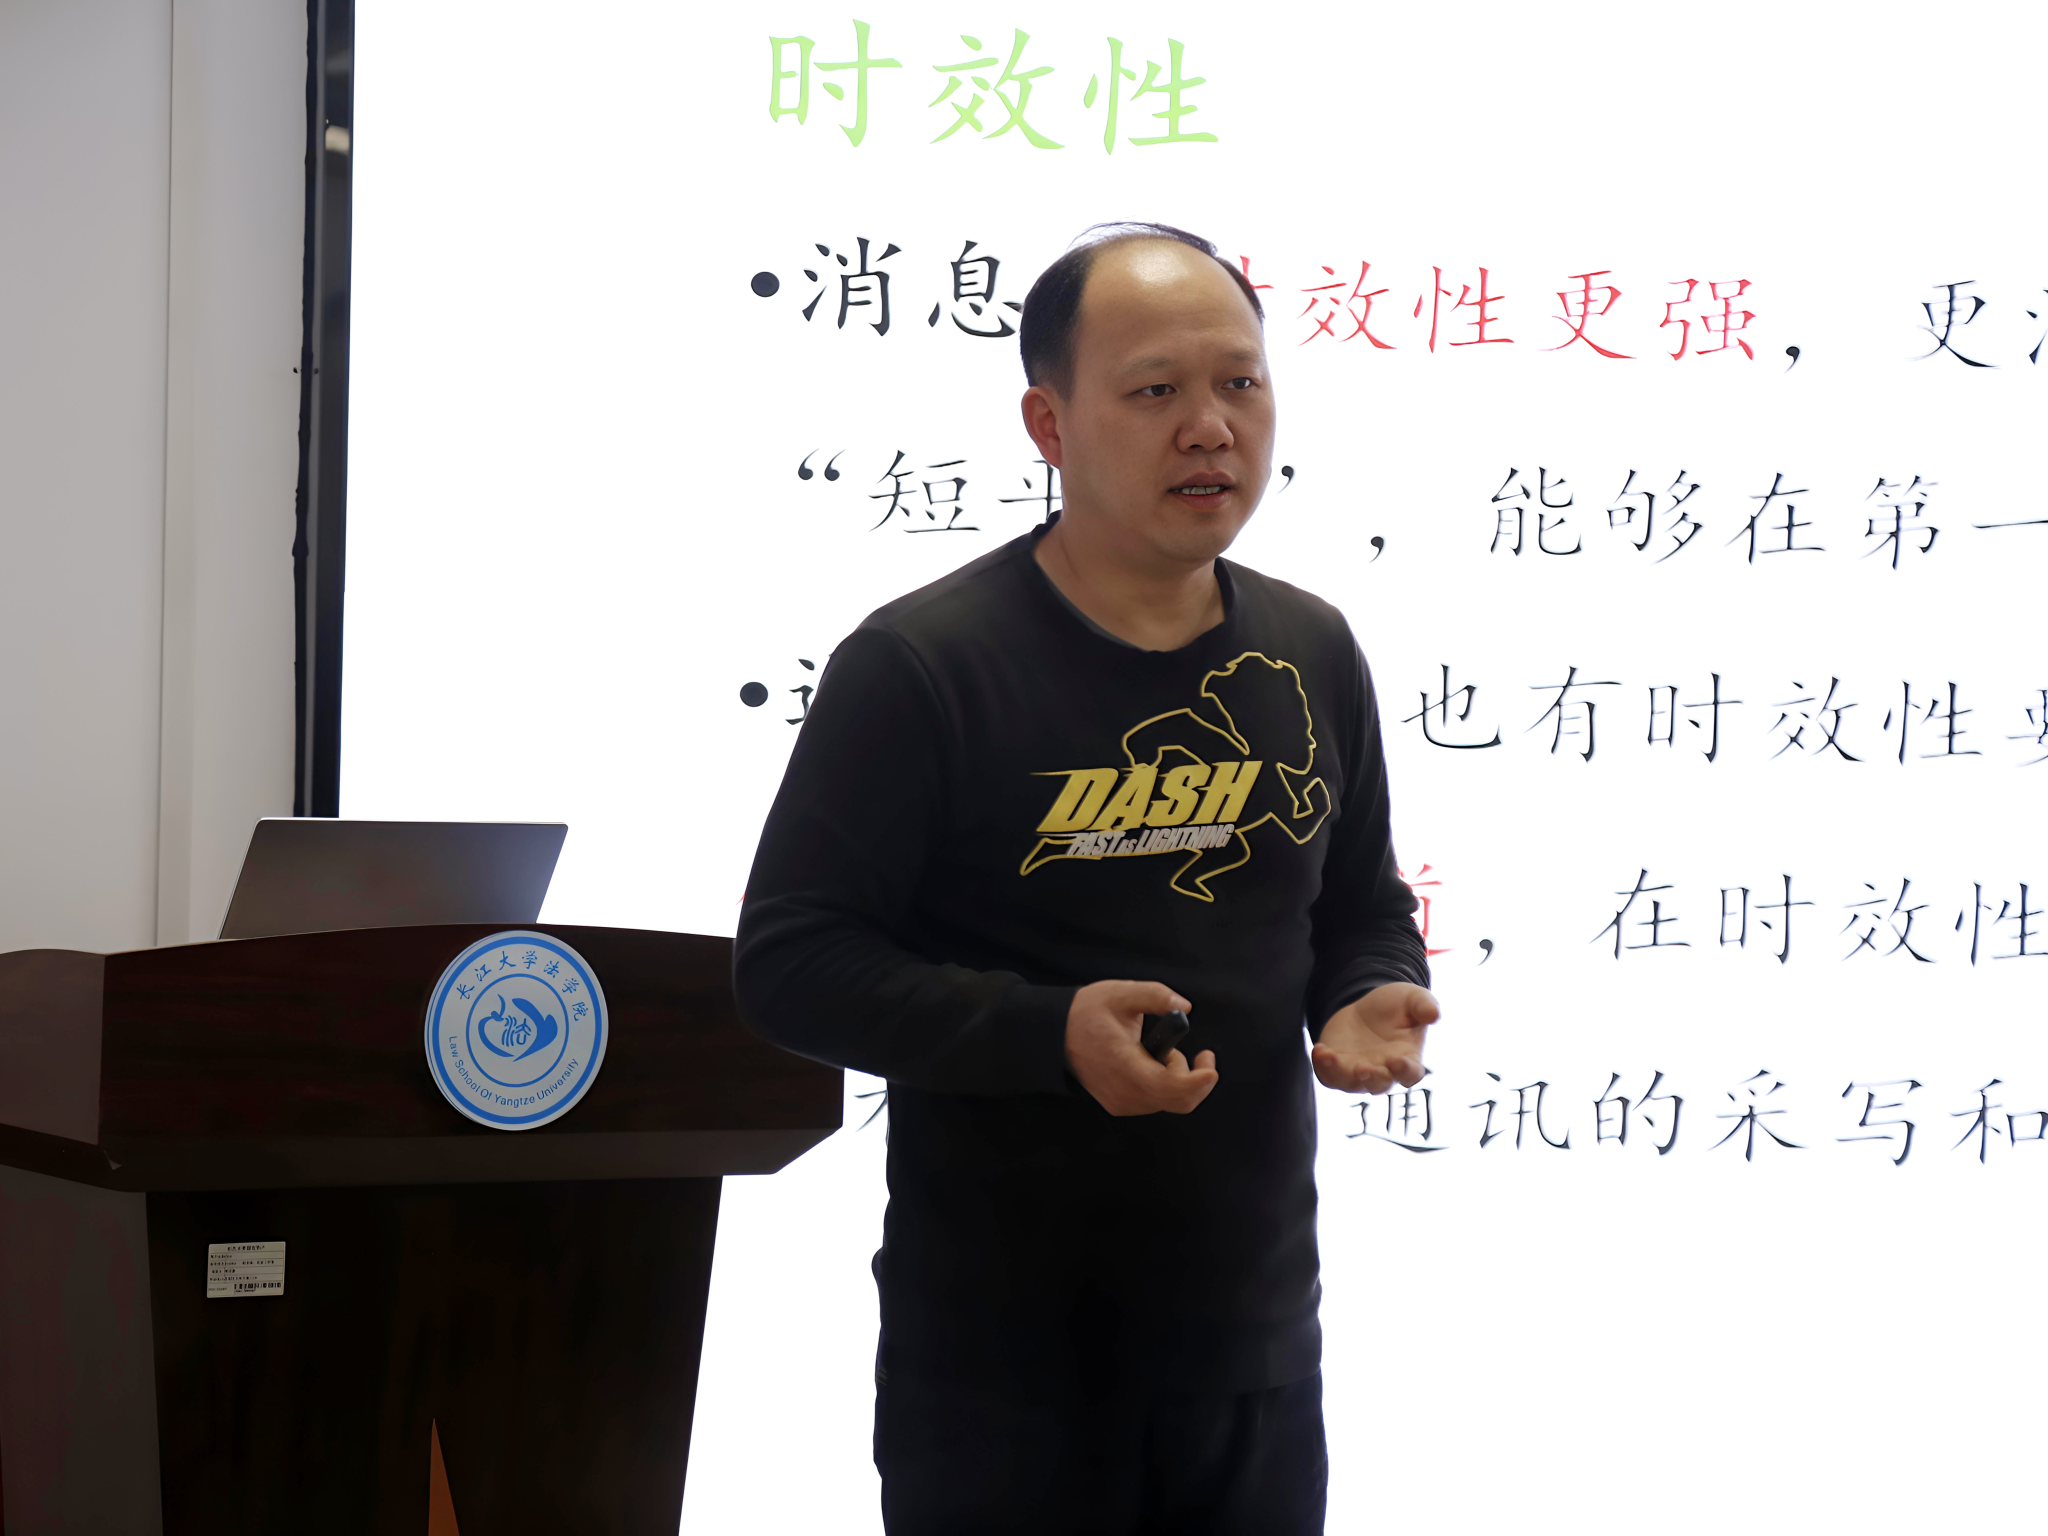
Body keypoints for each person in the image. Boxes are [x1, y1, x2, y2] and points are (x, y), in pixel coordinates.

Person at [733, 221, 1439, 1535]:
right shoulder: (924, 665)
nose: (1210, 428)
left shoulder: (1311, 648)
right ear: (1048, 424)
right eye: (1155, 390)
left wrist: (1367, 986)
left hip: (1253, 1351)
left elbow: (1359, 903)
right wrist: (1048, 1031)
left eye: (1240, 383)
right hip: (1002, 1378)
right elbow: (790, 964)